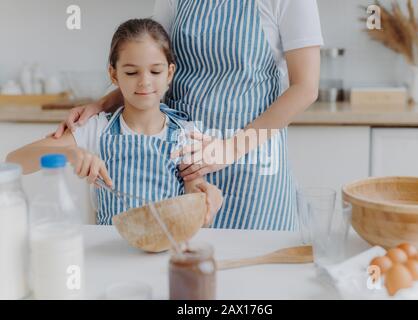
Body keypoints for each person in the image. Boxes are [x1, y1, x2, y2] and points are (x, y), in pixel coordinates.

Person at [51, 0, 323, 231]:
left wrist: (229, 150)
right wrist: (103, 104)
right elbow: (153, 62)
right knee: (186, 273)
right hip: (183, 166)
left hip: (251, 168)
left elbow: (306, 88)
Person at [7, 18, 223, 225]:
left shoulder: (187, 135)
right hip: (109, 253)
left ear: (169, 73)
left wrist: (206, 203)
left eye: (155, 71)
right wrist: (71, 154)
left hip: (166, 254)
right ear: (113, 74)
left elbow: (198, 216)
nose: (144, 81)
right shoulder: (96, 128)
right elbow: (14, 161)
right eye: (131, 72)